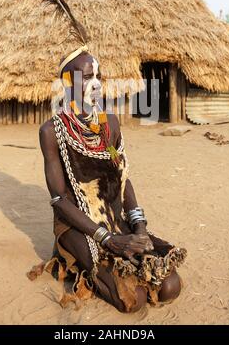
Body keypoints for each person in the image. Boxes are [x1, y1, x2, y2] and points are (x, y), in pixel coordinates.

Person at [29, 46, 187, 313]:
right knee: (132, 300)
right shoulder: (52, 132)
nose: (95, 85)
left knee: (170, 286)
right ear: (67, 83)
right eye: (86, 77)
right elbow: (59, 199)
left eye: (98, 77)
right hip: (77, 223)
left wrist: (138, 227)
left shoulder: (109, 124)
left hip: (112, 216)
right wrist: (107, 239)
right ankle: (80, 262)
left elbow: (120, 173)